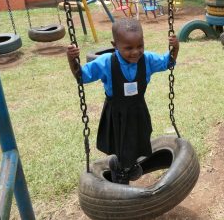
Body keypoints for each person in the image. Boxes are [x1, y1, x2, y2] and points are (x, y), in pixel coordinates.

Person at [66, 18, 179, 184]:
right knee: (121, 143)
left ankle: (127, 165)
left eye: (140, 46)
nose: (135, 52)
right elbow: (82, 76)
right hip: (116, 112)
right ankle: (120, 171)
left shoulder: (147, 59)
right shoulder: (105, 62)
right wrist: (72, 59)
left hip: (138, 109)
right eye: (128, 48)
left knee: (139, 139)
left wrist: (175, 47)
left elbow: (167, 63)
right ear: (115, 45)